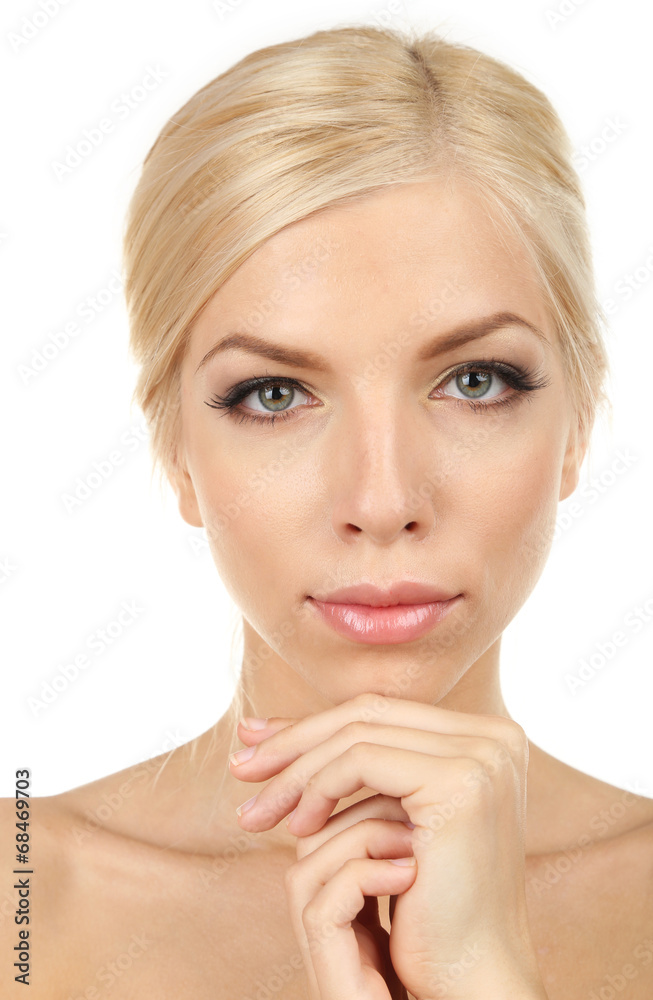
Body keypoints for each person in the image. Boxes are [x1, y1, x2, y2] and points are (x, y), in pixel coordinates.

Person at [3, 21, 652, 1000]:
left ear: (578, 425)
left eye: (474, 380)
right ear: (176, 452)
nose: (381, 502)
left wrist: (484, 978)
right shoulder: (20, 896)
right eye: (273, 395)